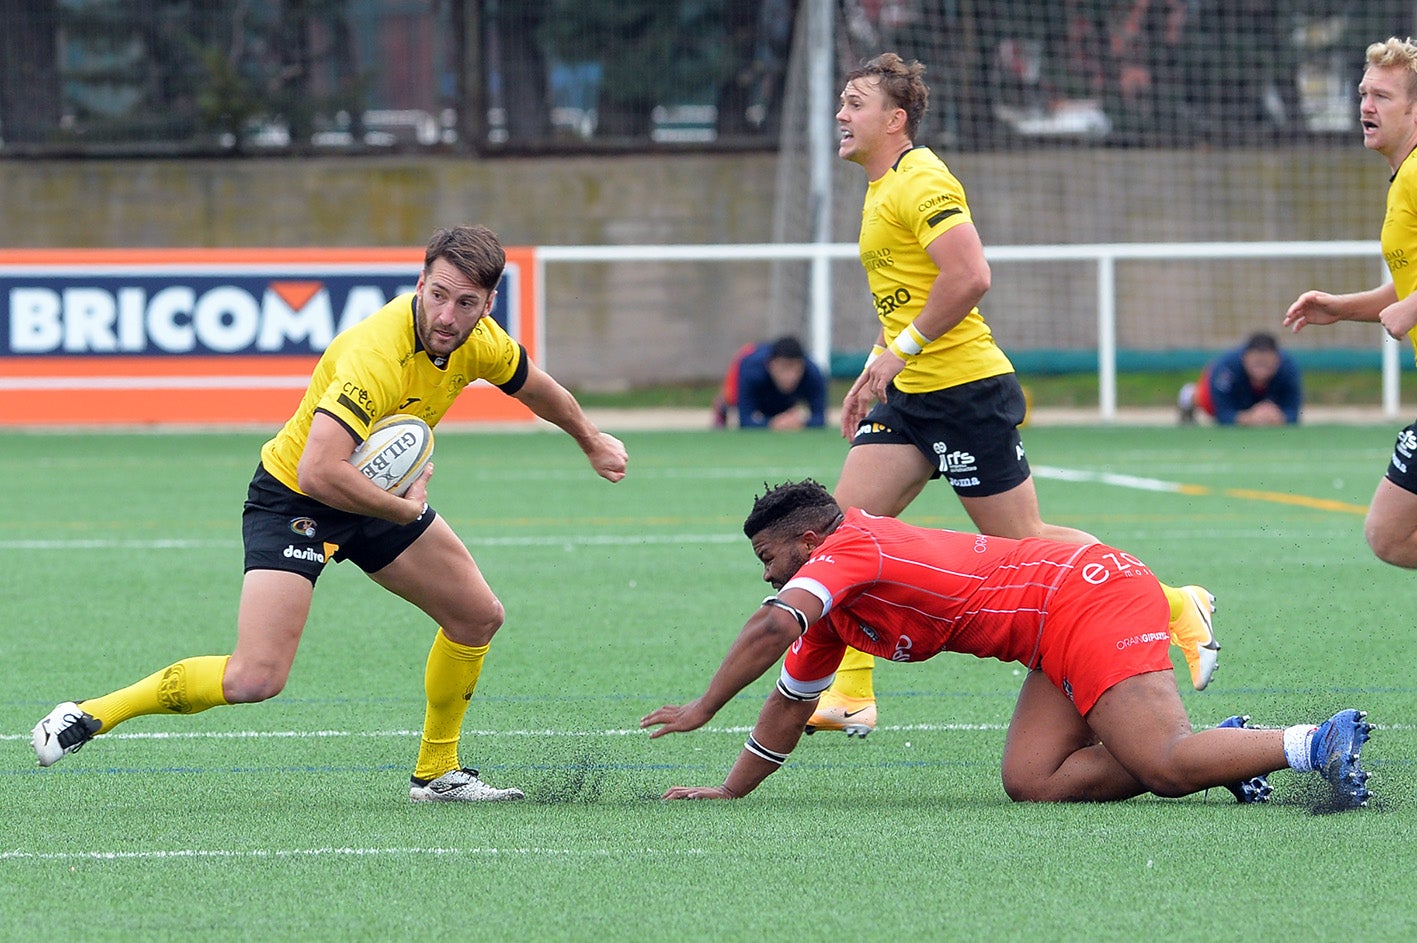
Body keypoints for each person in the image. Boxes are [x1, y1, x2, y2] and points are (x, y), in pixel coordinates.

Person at [29, 225, 630, 802]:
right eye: (439, 295)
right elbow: (320, 471)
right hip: (296, 501)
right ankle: (89, 715)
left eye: (466, 302)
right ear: (420, 282)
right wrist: (402, 507)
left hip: (372, 494)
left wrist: (591, 438)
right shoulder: (376, 354)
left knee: (476, 618)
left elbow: (534, 386)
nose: (447, 315)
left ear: (487, 303)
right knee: (254, 679)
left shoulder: (479, 341)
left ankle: (437, 773)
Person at [808, 52, 1219, 739]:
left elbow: (969, 275)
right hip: (912, 395)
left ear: (894, 118)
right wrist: (877, 364)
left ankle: (1174, 603)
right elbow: (910, 294)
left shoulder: (922, 177)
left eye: (855, 103)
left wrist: (898, 354)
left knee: (1020, 541)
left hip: (966, 391)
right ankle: (850, 691)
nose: (841, 115)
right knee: (843, 532)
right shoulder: (880, 186)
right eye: (842, 103)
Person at [641, 480, 1374, 809]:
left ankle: (1314, 741)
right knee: (1032, 780)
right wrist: (728, 789)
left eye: (769, 558)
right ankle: (1228, 753)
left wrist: (703, 706)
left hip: (1087, 595)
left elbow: (771, 625)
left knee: (1162, 763)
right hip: (1054, 629)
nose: (766, 575)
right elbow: (784, 708)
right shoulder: (834, 617)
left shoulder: (851, 545)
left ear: (808, 542)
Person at [1284, 37, 1417, 569]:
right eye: (1364, 92)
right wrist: (1344, 307)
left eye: (1382, 96)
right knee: (1390, 535)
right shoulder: (1402, 176)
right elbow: (1406, 286)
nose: (1366, 105)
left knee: (1389, 533)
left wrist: (1412, 309)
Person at [1178, 331, 1302, 425]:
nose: (1261, 370)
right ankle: (1190, 394)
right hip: (1231, 396)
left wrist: (1279, 417)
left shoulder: (1288, 368)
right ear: (1245, 357)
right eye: (1257, 364)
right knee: (1206, 401)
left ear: (1277, 360)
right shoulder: (1227, 367)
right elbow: (1222, 414)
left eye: (1266, 364)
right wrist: (1247, 418)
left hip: (1263, 399)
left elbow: (1293, 411)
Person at [712, 336, 828, 430]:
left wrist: (800, 423)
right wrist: (771, 423)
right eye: (783, 368)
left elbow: (820, 418)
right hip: (755, 378)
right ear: (770, 365)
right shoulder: (751, 369)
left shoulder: (813, 373)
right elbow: (745, 420)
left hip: (782, 399)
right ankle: (722, 405)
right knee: (731, 396)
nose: (790, 376)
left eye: (795, 369)